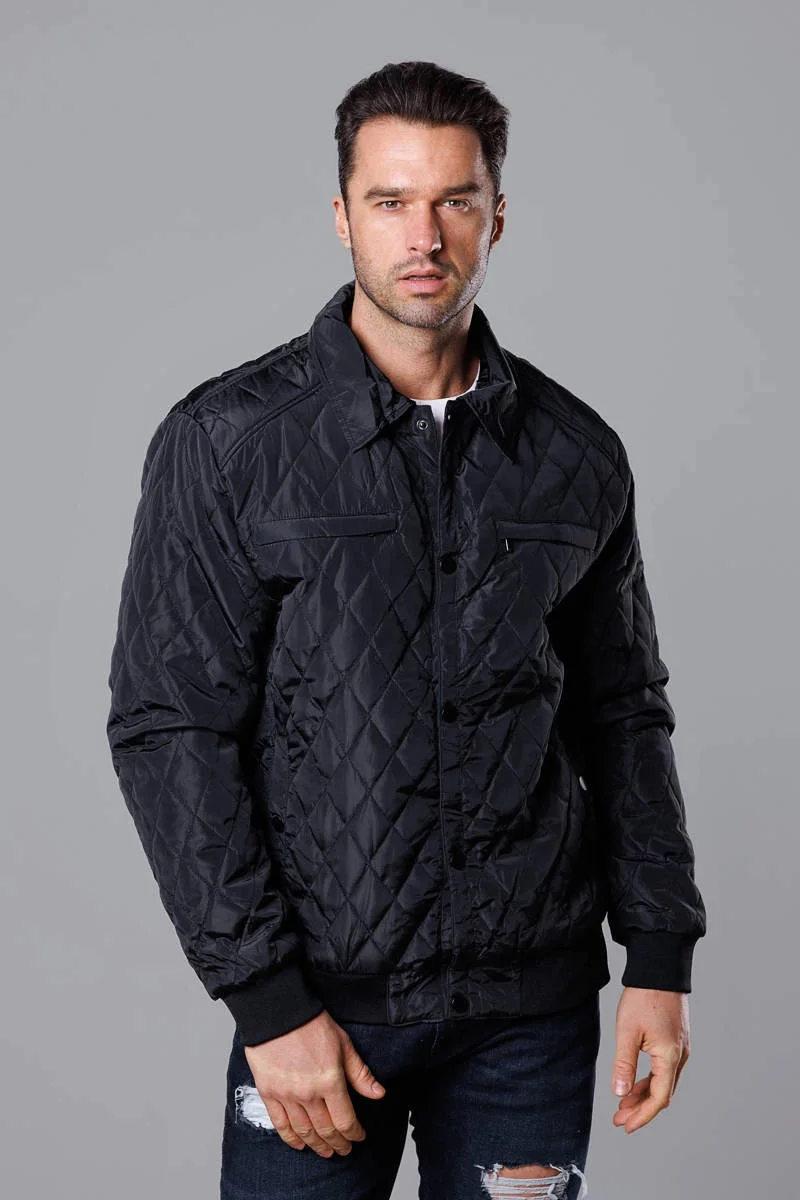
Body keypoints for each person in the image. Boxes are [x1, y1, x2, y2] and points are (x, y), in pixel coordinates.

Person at [106, 60, 707, 1199]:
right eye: (390, 201)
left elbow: (623, 712)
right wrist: (267, 1002)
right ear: (342, 216)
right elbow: (169, 726)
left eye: (453, 201)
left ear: (496, 215)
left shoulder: (576, 453)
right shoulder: (228, 442)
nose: (423, 236)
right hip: (319, 1014)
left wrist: (660, 956)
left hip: (530, 1017)